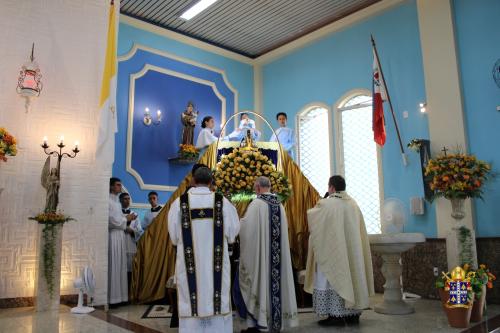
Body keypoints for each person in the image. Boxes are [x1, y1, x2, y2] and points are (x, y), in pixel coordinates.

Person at [168, 167, 240, 332]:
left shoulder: (180, 203)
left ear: (193, 180)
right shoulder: (223, 203)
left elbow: (173, 237)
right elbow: (232, 233)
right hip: (217, 266)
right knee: (218, 297)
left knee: (191, 299)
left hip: (188, 266)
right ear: (211, 182)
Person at [304, 175, 374, 326]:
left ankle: (335, 316)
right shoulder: (353, 204)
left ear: (331, 188)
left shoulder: (327, 204)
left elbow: (313, 220)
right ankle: (353, 314)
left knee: (332, 280)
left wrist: (322, 202)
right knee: (351, 277)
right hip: (351, 253)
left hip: (332, 252)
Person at [235, 176, 298, 332]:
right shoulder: (280, 205)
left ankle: (256, 323)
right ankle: (273, 322)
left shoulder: (256, 204)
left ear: (257, 187)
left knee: (253, 282)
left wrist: (238, 222)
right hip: (276, 260)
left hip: (261, 259)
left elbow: (247, 231)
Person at [109, 177, 136, 305]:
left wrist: (126, 219)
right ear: (111, 187)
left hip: (120, 236)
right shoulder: (108, 201)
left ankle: (120, 297)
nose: (120, 187)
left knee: (120, 266)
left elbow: (118, 219)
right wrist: (127, 219)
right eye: (118, 185)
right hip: (113, 236)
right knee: (114, 266)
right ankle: (113, 298)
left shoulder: (117, 203)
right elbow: (112, 221)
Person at [119, 192, 143, 273]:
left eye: (128, 199)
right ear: (120, 200)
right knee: (119, 269)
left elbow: (139, 230)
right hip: (119, 243)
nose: (127, 200)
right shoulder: (117, 213)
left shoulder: (135, 214)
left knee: (130, 270)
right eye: (125, 199)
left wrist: (132, 231)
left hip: (131, 243)